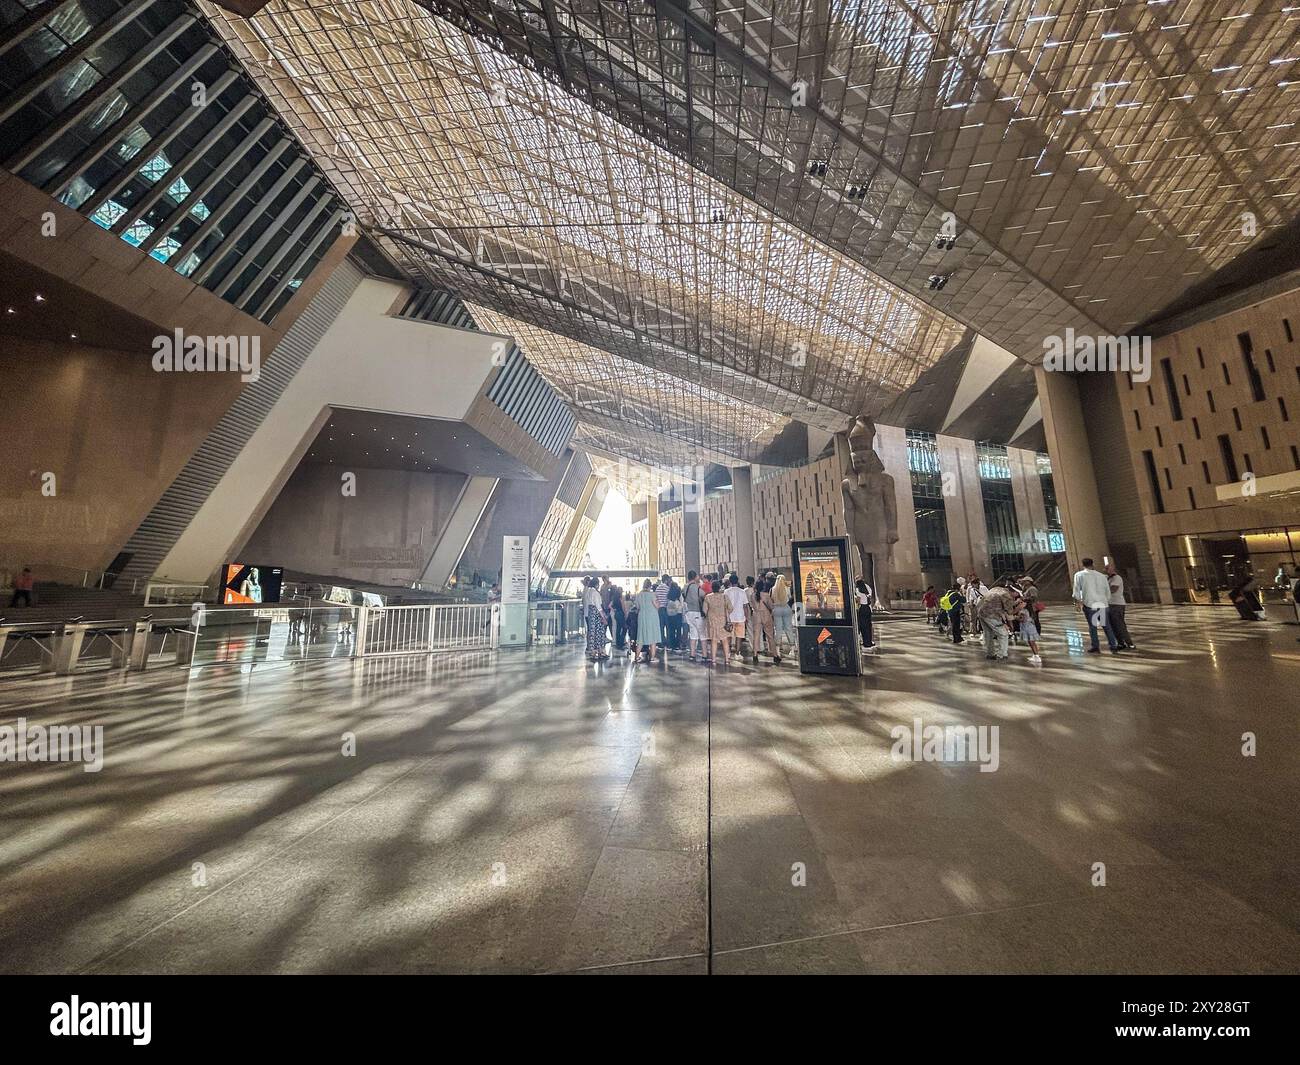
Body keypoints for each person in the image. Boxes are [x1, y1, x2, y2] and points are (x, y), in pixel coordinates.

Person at [1072, 557, 1119, 653]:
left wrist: (1077, 603)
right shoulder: (1102, 576)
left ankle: (1095, 646)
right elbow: (1107, 591)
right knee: (1106, 625)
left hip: (1090, 604)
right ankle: (1113, 645)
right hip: (1102, 604)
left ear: (1083, 565)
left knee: (1093, 627)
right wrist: (1106, 600)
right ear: (1092, 564)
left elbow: (1076, 590)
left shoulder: (1079, 575)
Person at [977, 578, 1016, 660]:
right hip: (991, 615)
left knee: (988, 634)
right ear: (1013, 592)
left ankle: (990, 654)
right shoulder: (1006, 595)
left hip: (981, 613)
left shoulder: (994, 589)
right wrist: (1018, 607)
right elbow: (1009, 611)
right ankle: (1002, 654)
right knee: (1003, 634)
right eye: (1016, 595)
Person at [1104, 563, 1137, 650]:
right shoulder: (1107, 579)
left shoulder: (1117, 578)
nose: (1106, 570)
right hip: (1109, 604)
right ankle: (1120, 643)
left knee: (1120, 625)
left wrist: (1102, 592)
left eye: (1108, 568)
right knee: (1113, 625)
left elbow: (1113, 589)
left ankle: (1129, 643)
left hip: (1117, 604)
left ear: (1113, 569)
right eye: (1106, 568)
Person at [753, 577, 780, 664]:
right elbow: (771, 607)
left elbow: (751, 606)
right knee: (770, 636)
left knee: (756, 636)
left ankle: (755, 655)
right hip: (766, 615)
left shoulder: (752, 596)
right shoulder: (766, 595)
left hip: (756, 615)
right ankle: (775, 655)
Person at [723, 574, 749, 661]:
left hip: (730, 617)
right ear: (737, 581)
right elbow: (745, 606)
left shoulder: (726, 592)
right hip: (740, 617)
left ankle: (729, 652)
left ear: (730, 581)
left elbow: (725, 605)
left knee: (729, 635)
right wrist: (747, 617)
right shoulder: (742, 592)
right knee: (739, 636)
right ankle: (737, 653)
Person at [636, 578, 663, 661]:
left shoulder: (639, 595)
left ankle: (637, 657)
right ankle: (653, 657)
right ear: (650, 586)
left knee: (641, 637)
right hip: (652, 617)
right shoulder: (652, 595)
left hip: (642, 617)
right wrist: (659, 602)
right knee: (653, 637)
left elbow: (638, 607)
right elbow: (657, 606)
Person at [703, 579, 728, 664]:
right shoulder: (724, 596)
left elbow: (704, 610)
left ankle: (713, 660)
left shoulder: (708, 597)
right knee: (724, 640)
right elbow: (730, 608)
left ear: (712, 588)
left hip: (712, 621)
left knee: (714, 640)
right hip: (723, 621)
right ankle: (727, 660)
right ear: (719, 588)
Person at [582, 576, 608, 661]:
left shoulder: (588, 591)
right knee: (599, 633)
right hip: (596, 614)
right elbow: (598, 606)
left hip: (590, 613)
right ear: (596, 584)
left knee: (592, 633)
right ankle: (601, 651)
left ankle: (593, 652)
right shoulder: (595, 593)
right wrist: (603, 617)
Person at [1012, 593, 1042, 665]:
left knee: (1031, 642)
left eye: (1022, 602)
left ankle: (1036, 656)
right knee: (1032, 642)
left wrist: (1015, 617)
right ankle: (1035, 655)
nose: (1020, 603)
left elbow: (1022, 619)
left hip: (1027, 628)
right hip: (1030, 627)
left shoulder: (1023, 611)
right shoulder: (1030, 610)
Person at [771, 573, 794, 653]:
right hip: (786, 608)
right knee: (788, 629)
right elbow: (790, 598)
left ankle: (777, 650)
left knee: (778, 630)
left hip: (777, 609)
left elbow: (772, 599)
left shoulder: (773, 589)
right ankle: (792, 649)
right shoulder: (787, 588)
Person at [854, 577, 875, 651]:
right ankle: (868, 642)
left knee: (863, 626)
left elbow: (858, 601)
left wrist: (855, 598)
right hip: (868, 608)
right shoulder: (868, 587)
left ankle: (865, 642)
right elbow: (870, 596)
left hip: (862, 608)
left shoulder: (858, 589)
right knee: (868, 625)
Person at [665, 581, 685, 653]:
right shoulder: (679, 593)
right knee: (678, 630)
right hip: (678, 613)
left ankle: (671, 645)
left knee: (671, 630)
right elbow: (682, 604)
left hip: (670, 614)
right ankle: (678, 645)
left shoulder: (669, 594)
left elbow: (666, 603)